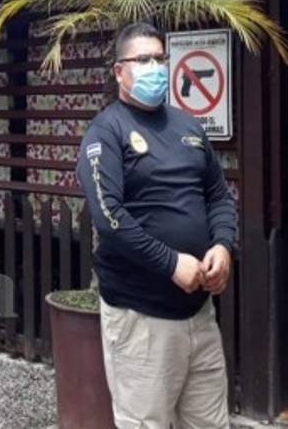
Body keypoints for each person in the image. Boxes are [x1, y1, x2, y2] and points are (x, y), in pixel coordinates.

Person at [76, 22, 237, 429]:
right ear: (119, 72)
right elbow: (109, 217)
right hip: (141, 319)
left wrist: (223, 245)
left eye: (160, 59)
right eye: (143, 59)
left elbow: (218, 195)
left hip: (199, 312)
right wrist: (171, 263)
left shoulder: (189, 127)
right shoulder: (105, 132)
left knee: (211, 423)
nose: (155, 67)